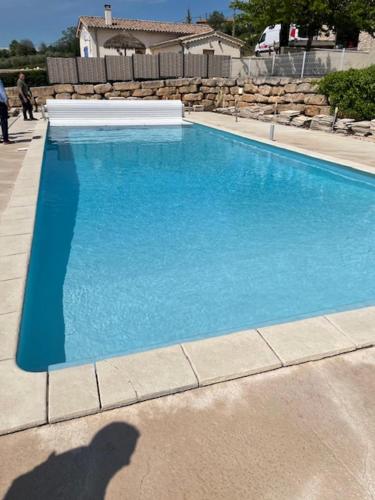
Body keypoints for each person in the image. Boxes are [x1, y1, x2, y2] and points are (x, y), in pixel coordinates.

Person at [0, 79, 12, 144]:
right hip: (1, 104)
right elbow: (2, 92)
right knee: (4, 121)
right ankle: (5, 139)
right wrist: (7, 104)